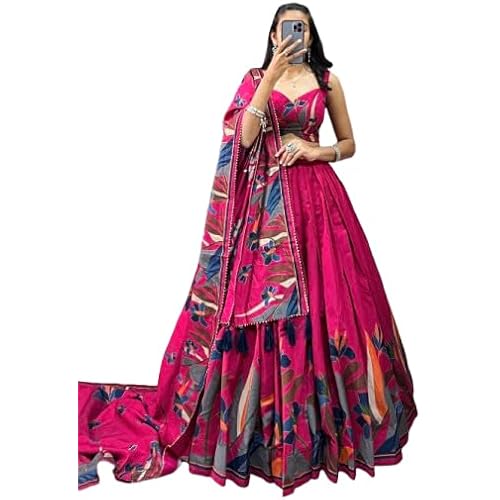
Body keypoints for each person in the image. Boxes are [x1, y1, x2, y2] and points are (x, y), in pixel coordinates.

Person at [78, 3, 418, 496]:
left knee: (336, 303)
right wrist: (271, 75)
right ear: (273, 35)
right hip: (264, 211)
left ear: (312, 35)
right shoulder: (255, 78)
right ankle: (257, 430)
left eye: (302, 29)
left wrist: (317, 150)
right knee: (253, 308)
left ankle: (331, 429)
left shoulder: (328, 82)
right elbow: (244, 138)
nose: (294, 36)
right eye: (286, 29)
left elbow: (349, 143)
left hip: (320, 205)